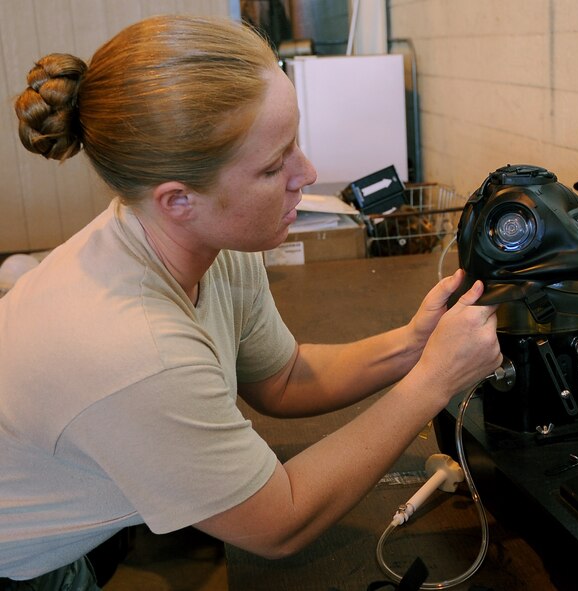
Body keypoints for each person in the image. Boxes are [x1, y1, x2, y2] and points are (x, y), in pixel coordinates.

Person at [1, 14, 502, 590]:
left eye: (294, 146)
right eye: (273, 166)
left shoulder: (208, 239)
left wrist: (414, 346)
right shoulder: (133, 350)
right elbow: (277, 523)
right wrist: (434, 382)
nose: (307, 174)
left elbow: (281, 378)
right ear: (179, 199)